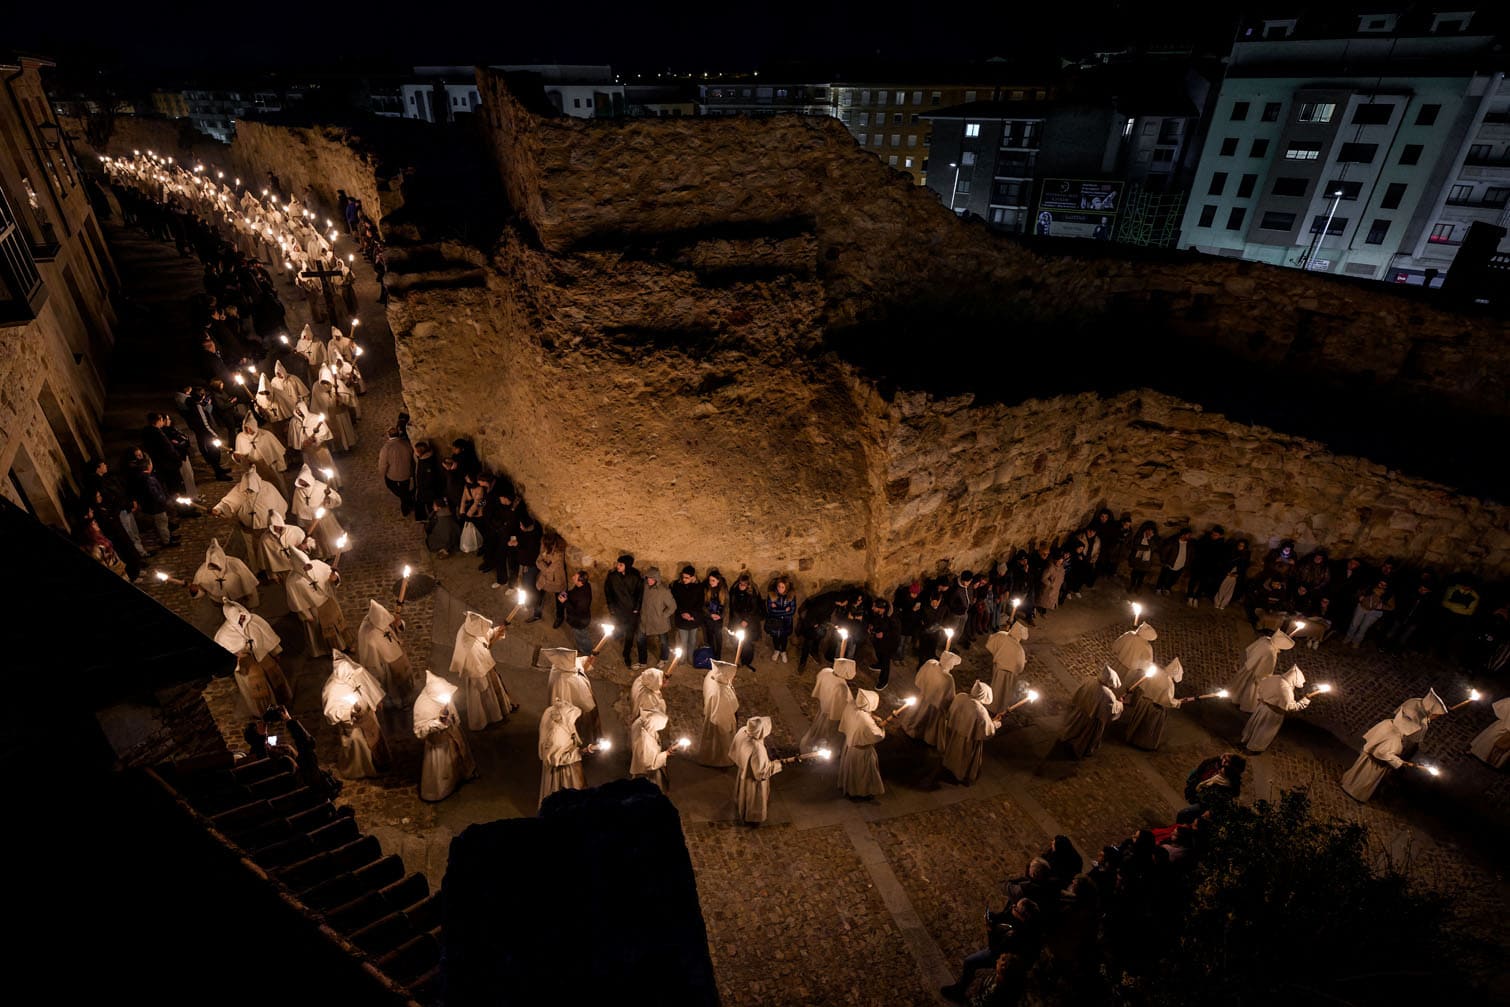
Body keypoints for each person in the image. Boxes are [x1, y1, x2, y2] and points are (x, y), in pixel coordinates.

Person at [940, 898, 1043, 1004]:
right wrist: (992, 917)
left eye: (1015, 907)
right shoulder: (1017, 917)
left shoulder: (1018, 936)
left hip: (1005, 957)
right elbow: (1003, 916)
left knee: (970, 962)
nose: (1012, 907)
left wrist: (989, 930)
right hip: (1003, 949)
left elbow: (994, 949)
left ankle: (959, 992)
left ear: (1023, 916)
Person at [214, 600, 292, 715]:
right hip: (246, 665)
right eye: (239, 618)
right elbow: (223, 657)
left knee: (274, 678)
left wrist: (275, 652)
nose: (242, 619)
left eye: (242, 616)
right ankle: (265, 712)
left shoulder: (253, 620)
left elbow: (267, 635)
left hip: (262, 655)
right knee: (257, 688)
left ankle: (282, 703)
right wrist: (237, 656)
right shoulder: (223, 635)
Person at [322, 651, 391, 779]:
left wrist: (376, 699)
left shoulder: (354, 673)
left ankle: (380, 761)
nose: (351, 679)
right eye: (348, 677)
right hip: (353, 724)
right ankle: (362, 768)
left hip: (367, 716)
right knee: (359, 744)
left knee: (376, 736)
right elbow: (331, 712)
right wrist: (350, 712)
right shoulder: (331, 688)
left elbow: (367, 685)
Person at [412, 671, 476, 801]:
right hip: (439, 743)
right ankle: (443, 790)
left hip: (452, 733)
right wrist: (438, 722)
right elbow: (420, 731)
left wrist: (455, 720)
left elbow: (451, 708)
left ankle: (461, 776)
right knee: (443, 769)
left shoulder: (443, 696)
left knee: (459, 754)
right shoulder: (422, 705)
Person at [451, 611, 514, 730]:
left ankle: (499, 712)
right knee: (485, 697)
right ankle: (490, 719)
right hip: (479, 675)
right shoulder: (467, 646)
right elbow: (473, 669)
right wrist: (482, 684)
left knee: (494, 693)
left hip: (485, 667)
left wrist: (497, 631)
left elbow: (486, 634)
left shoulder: (471, 626)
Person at [283, 547, 351, 656]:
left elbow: (331, 576)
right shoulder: (292, 581)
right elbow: (296, 602)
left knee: (338, 624)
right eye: (304, 566)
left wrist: (335, 578)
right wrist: (306, 614)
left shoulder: (317, 564)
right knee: (320, 631)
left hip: (329, 601)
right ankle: (327, 651)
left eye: (308, 565)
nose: (308, 568)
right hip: (314, 610)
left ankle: (345, 645)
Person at [1341, 713, 1415, 802]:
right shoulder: (1395, 739)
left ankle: (1348, 784)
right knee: (1365, 779)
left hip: (1368, 755)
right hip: (1376, 764)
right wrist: (1401, 763)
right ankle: (1355, 792)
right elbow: (1386, 755)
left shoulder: (1387, 722)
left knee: (1358, 773)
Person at [1121, 658, 1186, 751]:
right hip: (1154, 707)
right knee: (1147, 726)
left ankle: (1131, 737)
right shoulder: (1169, 683)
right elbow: (1167, 700)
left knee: (1138, 720)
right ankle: (1141, 743)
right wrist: (1178, 702)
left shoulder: (1157, 673)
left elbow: (1143, 685)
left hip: (1143, 702)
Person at [1240, 665, 1309, 753]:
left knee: (1255, 724)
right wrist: (1306, 699)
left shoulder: (1275, 678)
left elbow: (1261, 686)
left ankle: (1245, 739)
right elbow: (1291, 707)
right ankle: (1253, 748)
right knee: (1264, 731)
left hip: (1262, 707)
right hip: (1272, 714)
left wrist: (1263, 699)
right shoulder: (1285, 690)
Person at [1059, 667, 1123, 759]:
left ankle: (1067, 738)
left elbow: (1079, 692)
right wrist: (1120, 704)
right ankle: (1079, 749)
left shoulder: (1090, 681)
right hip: (1092, 720)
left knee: (1074, 729)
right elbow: (1111, 710)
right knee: (1084, 737)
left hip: (1080, 712)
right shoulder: (1107, 694)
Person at [901, 651, 962, 748]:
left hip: (923, 696)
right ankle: (922, 734)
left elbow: (920, 677)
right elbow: (949, 697)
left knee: (917, 713)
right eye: (952, 664)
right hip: (934, 704)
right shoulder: (948, 679)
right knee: (927, 718)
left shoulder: (931, 663)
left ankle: (912, 726)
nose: (952, 667)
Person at [941, 681, 998, 784]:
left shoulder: (961, 697)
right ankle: (961, 775)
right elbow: (987, 732)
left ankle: (948, 767)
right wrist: (995, 724)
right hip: (968, 740)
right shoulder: (980, 711)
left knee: (952, 752)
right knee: (963, 758)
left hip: (955, 732)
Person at [1227, 630, 1295, 713]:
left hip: (1248, 667)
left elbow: (1251, 649)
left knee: (1241, 683)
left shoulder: (1265, 639)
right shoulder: (1270, 653)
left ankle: (1235, 697)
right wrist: (1265, 679)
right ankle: (1245, 704)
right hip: (1256, 674)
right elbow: (1266, 670)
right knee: (1251, 690)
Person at [730, 716, 782, 825]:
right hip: (752, 777)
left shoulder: (742, 731)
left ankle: (742, 807)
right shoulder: (757, 749)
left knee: (743, 793)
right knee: (753, 797)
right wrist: (778, 764)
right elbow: (762, 772)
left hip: (744, 769)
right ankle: (752, 817)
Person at [357, 599, 412, 701]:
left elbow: (393, 625)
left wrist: (398, 623)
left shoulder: (379, 618)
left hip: (396, 652)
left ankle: (406, 691)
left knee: (403, 676)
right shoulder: (368, 633)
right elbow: (371, 657)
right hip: (385, 663)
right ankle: (398, 700)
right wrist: (380, 670)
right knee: (392, 683)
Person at [538, 697, 589, 807]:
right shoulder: (556, 737)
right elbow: (556, 759)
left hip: (570, 768)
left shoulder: (562, 726)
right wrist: (584, 751)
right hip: (564, 774)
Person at [801, 657, 856, 753]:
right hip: (831, 713)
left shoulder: (826, 672)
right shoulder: (841, 687)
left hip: (823, 707)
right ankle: (823, 750)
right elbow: (841, 705)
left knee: (818, 729)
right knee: (828, 733)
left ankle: (815, 744)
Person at [188, 537, 260, 611]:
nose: (215, 567)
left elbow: (248, 584)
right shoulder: (202, 572)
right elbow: (201, 590)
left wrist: (251, 600)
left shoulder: (235, 563)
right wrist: (195, 591)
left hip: (240, 599)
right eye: (212, 565)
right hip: (220, 602)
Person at [546, 648, 600, 743]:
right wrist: (590, 707)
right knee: (580, 728)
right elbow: (585, 702)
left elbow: (580, 662)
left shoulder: (560, 665)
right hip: (574, 712)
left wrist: (591, 657)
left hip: (576, 709)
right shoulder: (563, 678)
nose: (574, 660)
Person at [838, 688, 885, 798]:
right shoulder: (866, 721)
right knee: (861, 774)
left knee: (851, 771)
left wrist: (872, 717)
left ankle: (850, 788)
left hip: (850, 746)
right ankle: (860, 792)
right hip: (861, 752)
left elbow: (862, 715)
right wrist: (880, 727)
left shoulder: (851, 705)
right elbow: (877, 735)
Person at [696, 660, 740, 767]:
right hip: (719, 723)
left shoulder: (711, 675)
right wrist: (728, 727)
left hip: (714, 715)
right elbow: (720, 718)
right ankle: (720, 761)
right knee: (720, 742)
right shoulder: (719, 694)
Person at [604, 554, 646, 668]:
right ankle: (618, 636)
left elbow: (639, 594)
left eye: (621, 565)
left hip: (631, 611)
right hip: (618, 609)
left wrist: (637, 608)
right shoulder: (613, 576)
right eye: (618, 564)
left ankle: (626, 653)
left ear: (626, 566)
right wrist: (611, 607)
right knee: (618, 626)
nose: (618, 566)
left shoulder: (635, 577)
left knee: (630, 633)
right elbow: (608, 591)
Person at [985, 622, 1029, 715]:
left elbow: (990, 644)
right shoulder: (1019, 649)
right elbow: (1020, 667)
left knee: (995, 686)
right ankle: (997, 707)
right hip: (1008, 673)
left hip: (998, 668)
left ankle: (991, 703)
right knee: (1003, 691)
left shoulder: (1001, 635)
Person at [629, 709, 676, 792]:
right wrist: (667, 753)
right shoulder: (645, 741)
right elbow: (650, 764)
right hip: (647, 774)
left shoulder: (647, 729)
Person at [639, 566, 677, 662]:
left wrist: (663, 616)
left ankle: (664, 659)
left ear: (657, 579)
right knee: (640, 640)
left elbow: (673, 606)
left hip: (660, 622)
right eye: (648, 578)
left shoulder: (664, 591)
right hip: (645, 620)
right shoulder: (645, 587)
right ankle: (642, 661)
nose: (649, 580)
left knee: (663, 641)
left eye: (652, 578)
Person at [1344, 578, 1395, 647]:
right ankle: (1348, 638)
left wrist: (1382, 606)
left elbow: (1392, 607)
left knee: (1364, 627)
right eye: (1381, 584)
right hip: (1362, 607)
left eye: (1384, 585)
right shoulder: (1370, 587)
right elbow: (1358, 592)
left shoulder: (1388, 594)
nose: (1382, 586)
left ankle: (1356, 641)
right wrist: (1359, 596)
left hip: (1374, 612)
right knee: (1354, 624)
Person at [728, 571, 761, 669]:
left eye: (744, 585)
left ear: (748, 585)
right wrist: (739, 620)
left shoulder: (752, 593)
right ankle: (739, 658)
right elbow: (733, 607)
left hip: (749, 622)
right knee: (737, 640)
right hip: (737, 620)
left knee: (747, 642)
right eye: (740, 584)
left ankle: (746, 660)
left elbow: (754, 608)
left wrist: (746, 620)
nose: (741, 586)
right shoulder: (734, 591)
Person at [377, 426, 413, 516]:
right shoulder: (406, 444)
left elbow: (383, 464)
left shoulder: (386, 448)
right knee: (404, 489)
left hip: (393, 475)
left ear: (388, 435)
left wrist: (382, 473)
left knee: (392, 486)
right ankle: (406, 506)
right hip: (406, 473)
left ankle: (407, 500)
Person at [866, 597, 901, 687]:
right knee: (879, 654)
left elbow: (896, 632)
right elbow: (875, 621)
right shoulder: (877, 614)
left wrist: (884, 634)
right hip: (879, 642)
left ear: (882, 609)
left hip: (889, 644)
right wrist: (871, 627)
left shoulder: (892, 618)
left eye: (875, 607)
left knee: (886, 662)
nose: (872, 608)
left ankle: (883, 681)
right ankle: (879, 664)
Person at [671, 565, 705, 657]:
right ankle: (682, 658)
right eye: (683, 577)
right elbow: (675, 601)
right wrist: (682, 613)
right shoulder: (677, 586)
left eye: (687, 578)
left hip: (693, 618)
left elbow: (700, 603)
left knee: (692, 640)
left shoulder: (699, 587)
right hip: (681, 617)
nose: (684, 579)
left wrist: (691, 614)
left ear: (693, 577)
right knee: (683, 640)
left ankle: (690, 657)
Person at [533, 532, 567, 624]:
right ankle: (536, 613)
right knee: (538, 593)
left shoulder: (559, 552)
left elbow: (550, 569)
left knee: (560, 599)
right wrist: (544, 565)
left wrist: (543, 565)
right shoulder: (544, 545)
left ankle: (560, 617)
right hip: (544, 577)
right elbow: (538, 561)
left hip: (557, 579)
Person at [1470, 696, 1510, 769]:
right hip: (1503, 725)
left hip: (1506, 728)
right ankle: (1478, 753)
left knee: (1502, 746)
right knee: (1490, 738)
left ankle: (1493, 762)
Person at [765, 576, 797, 664]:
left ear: (786, 587)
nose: (780, 589)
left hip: (786, 622)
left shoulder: (791, 596)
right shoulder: (772, 595)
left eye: (782, 587)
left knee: (784, 637)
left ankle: (783, 651)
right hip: (774, 621)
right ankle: (776, 650)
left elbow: (792, 611)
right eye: (779, 586)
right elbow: (770, 610)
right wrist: (784, 610)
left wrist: (777, 610)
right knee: (775, 636)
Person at [560, 570, 594, 653]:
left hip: (579, 622)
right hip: (577, 619)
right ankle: (582, 648)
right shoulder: (583, 585)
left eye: (575, 577)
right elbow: (573, 593)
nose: (572, 577)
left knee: (582, 637)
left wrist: (564, 602)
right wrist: (566, 593)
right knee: (580, 636)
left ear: (580, 581)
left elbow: (576, 611)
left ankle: (587, 652)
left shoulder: (583, 598)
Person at [1156, 528, 1193, 596]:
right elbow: (1164, 551)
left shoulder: (1189, 544)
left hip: (1181, 565)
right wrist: (1164, 561)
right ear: (1183, 535)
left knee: (1174, 579)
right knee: (1163, 577)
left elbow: (1189, 555)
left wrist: (1186, 564)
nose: (1190, 536)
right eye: (1188, 535)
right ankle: (1158, 588)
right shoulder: (1173, 541)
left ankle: (1167, 588)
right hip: (1170, 563)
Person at [703, 569, 729, 660]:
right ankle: (712, 654)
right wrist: (710, 615)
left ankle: (718, 656)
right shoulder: (706, 589)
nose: (710, 582)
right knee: (709, 637)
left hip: (718, 619)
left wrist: (720, 616)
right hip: (708, 618)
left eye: (713, 580)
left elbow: (726, 606)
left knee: (718, 637)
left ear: (718, 580)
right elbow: (703, 605)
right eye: (710, 580)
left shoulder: (723, 591)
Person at [1126, 523, 1158, 593]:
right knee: (1134, 574)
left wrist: (1149, 540)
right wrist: (1145, 548)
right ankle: (1132, 586)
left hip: (1146, 561)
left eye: (1151, 531)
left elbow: (1153, 548)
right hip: (1137, 559)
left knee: (1141, 576)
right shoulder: (1139, 537)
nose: (1149, 532)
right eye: (1148, 530)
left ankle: (1138, 587)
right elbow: (1135, 546)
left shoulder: (1154, 539)